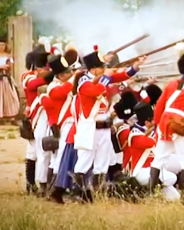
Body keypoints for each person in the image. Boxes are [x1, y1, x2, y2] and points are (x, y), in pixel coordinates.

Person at [71, 47, 146, 202]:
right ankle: (78, 192)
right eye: (101, 67)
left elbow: (123, 75)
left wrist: (136, 66)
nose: (104, 69)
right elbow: (96, 90)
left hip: (104, 127)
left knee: (102, 161)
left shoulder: (101, 79)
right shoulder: (83, 82)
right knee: (84, 161)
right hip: (90, 128)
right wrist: (106, 77)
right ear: (93, 69)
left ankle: (98, 193)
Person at [152, 46, 184, 205]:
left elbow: (160, 106)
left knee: (159, 158)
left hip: (164, 124)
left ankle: (151, 194)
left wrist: (157, 126)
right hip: (181, 126)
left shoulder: (170, 84)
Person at [129, 100, 180, 201]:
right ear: (147, 122)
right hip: (141, 171)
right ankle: (148, 193)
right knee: (171, 178)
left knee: (175, 198)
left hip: (154, 169)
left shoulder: (151, 131)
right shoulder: (135, 135)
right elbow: (152, 142)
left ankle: (155, 193)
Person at [20, 51, 55, 194]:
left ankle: (37, 184)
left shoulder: (41, 76)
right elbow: (34, 84)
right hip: (36, 118)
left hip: (44, 116)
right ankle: (33, 184)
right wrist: (54, 73)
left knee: (38, 151)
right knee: (35, 152)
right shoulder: (28, 77)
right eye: (46, 69)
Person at [46, 54, 77, 184]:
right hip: (62, 125)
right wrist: (75, 77)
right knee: (59, 157)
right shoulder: (53, 87)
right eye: (68, 72)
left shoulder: (66, 83)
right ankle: (55, 186)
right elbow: (61, 92)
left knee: (60, 156)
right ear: (61, 75)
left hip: (69, 124)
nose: (71, 74)